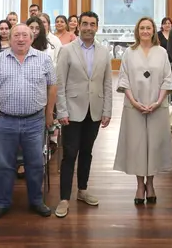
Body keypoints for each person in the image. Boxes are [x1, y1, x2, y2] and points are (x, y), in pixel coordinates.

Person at [0, 24, 57, 220]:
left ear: (32, 38)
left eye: (25, 35)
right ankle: (2, 202)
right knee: (4, 164)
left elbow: (52, 86)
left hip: (34, 121)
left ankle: (36, 201)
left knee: (35, 163)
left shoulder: (44, 59)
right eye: (17, 35)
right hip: (5, 120)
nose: (21, 39)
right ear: (10, 37)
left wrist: (49, 112)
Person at [54, 11, 112, 218]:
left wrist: (107, 111)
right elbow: (59, 82)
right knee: (70, 154)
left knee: (87, 152)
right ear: (78, 26)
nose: (88, 27)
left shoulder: (104, 52)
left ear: (97, 27)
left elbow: (107, 83)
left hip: (94, 111)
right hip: (71, 110)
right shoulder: (67, 50)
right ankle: (63, 198)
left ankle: (83, 190)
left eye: (92, 24)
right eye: (85, 24)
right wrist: (61, 110)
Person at [113, 17, 172, 204]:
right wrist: (135, 102)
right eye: (142, 28)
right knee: (137, 146)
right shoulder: (129, 53)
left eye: (148, 28)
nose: (145, 31)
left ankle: (151, 184)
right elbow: (124, 80)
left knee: (154, 145)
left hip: (157, 106)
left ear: (153, 30)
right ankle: (140, 185)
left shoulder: (162, 52)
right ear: (137, 31)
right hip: (134, 106)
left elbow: (167, 79)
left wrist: (157, 101)